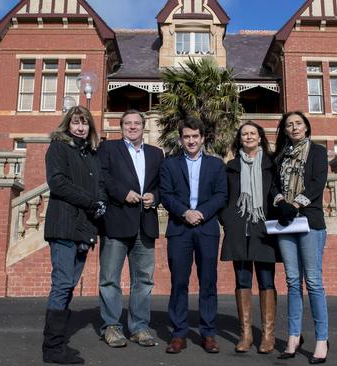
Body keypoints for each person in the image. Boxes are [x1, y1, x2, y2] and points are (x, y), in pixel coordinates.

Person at [42, 106, 106, 364]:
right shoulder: (58, 148)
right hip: (64, 227)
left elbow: (99, 185)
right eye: (76, 123)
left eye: (85, 124)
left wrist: (100, 203)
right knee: (62, 285)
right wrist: (91, 203)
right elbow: (57, 182)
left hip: (84, 229)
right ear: (67, 125)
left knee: (68, 286)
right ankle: (52, 348)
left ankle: (56, 345)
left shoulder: (90, 155)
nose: (80, 128)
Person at [159, 116, 227, 354]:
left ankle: (208, 333)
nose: (191, 140)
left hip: (207, 228)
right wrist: (185, 212)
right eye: (186, 136)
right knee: (179, 282)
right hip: (180, 230)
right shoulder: (170, 164)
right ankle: (179, 334)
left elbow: (221, 195)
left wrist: (201, 213)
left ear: (202, 138)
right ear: (180, 139)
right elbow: (165, 195)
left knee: (208, 282)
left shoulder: (216, 165)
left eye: (195, 136)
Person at [96, 110, 164, 348]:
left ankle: (139, 327)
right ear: (121, 126)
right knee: (109, 279)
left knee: (143, 280)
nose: (132, 127)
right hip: (116, 221)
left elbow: (162, 185)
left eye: (137, 123)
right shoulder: (108, 149)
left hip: (145, 224)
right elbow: (102, 179)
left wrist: (154, 196)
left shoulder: (156, 154)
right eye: (128, 123)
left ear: (143, 127)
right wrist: (123, 194)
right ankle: (111, 326)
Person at [219, 121, 281, 353]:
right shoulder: (231, 166)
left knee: (266, 282)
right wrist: (228, 220)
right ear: (240, 139)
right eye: (244, 134)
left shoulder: (271, 164)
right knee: (242, 281)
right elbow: (223, 197)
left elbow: (277, 193)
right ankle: (246, 335)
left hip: (264, 231)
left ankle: (267, 335)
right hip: (239, 232)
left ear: (260, 137)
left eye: (253, 133)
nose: (248, 137)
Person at [272, 111, 329, 364]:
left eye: (298, 124)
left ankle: (321, 339)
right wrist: (281, 201)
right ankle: (294, 337)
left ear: (306, 127)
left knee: (314, 282)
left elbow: (318, 183)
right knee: (293, 281)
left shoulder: (317, 151)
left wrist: (295, 204)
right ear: (285, 130)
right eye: (289, 125)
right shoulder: (280, 155)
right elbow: (273, 184)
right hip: (285, 223)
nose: (294, 128)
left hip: (309, 221)